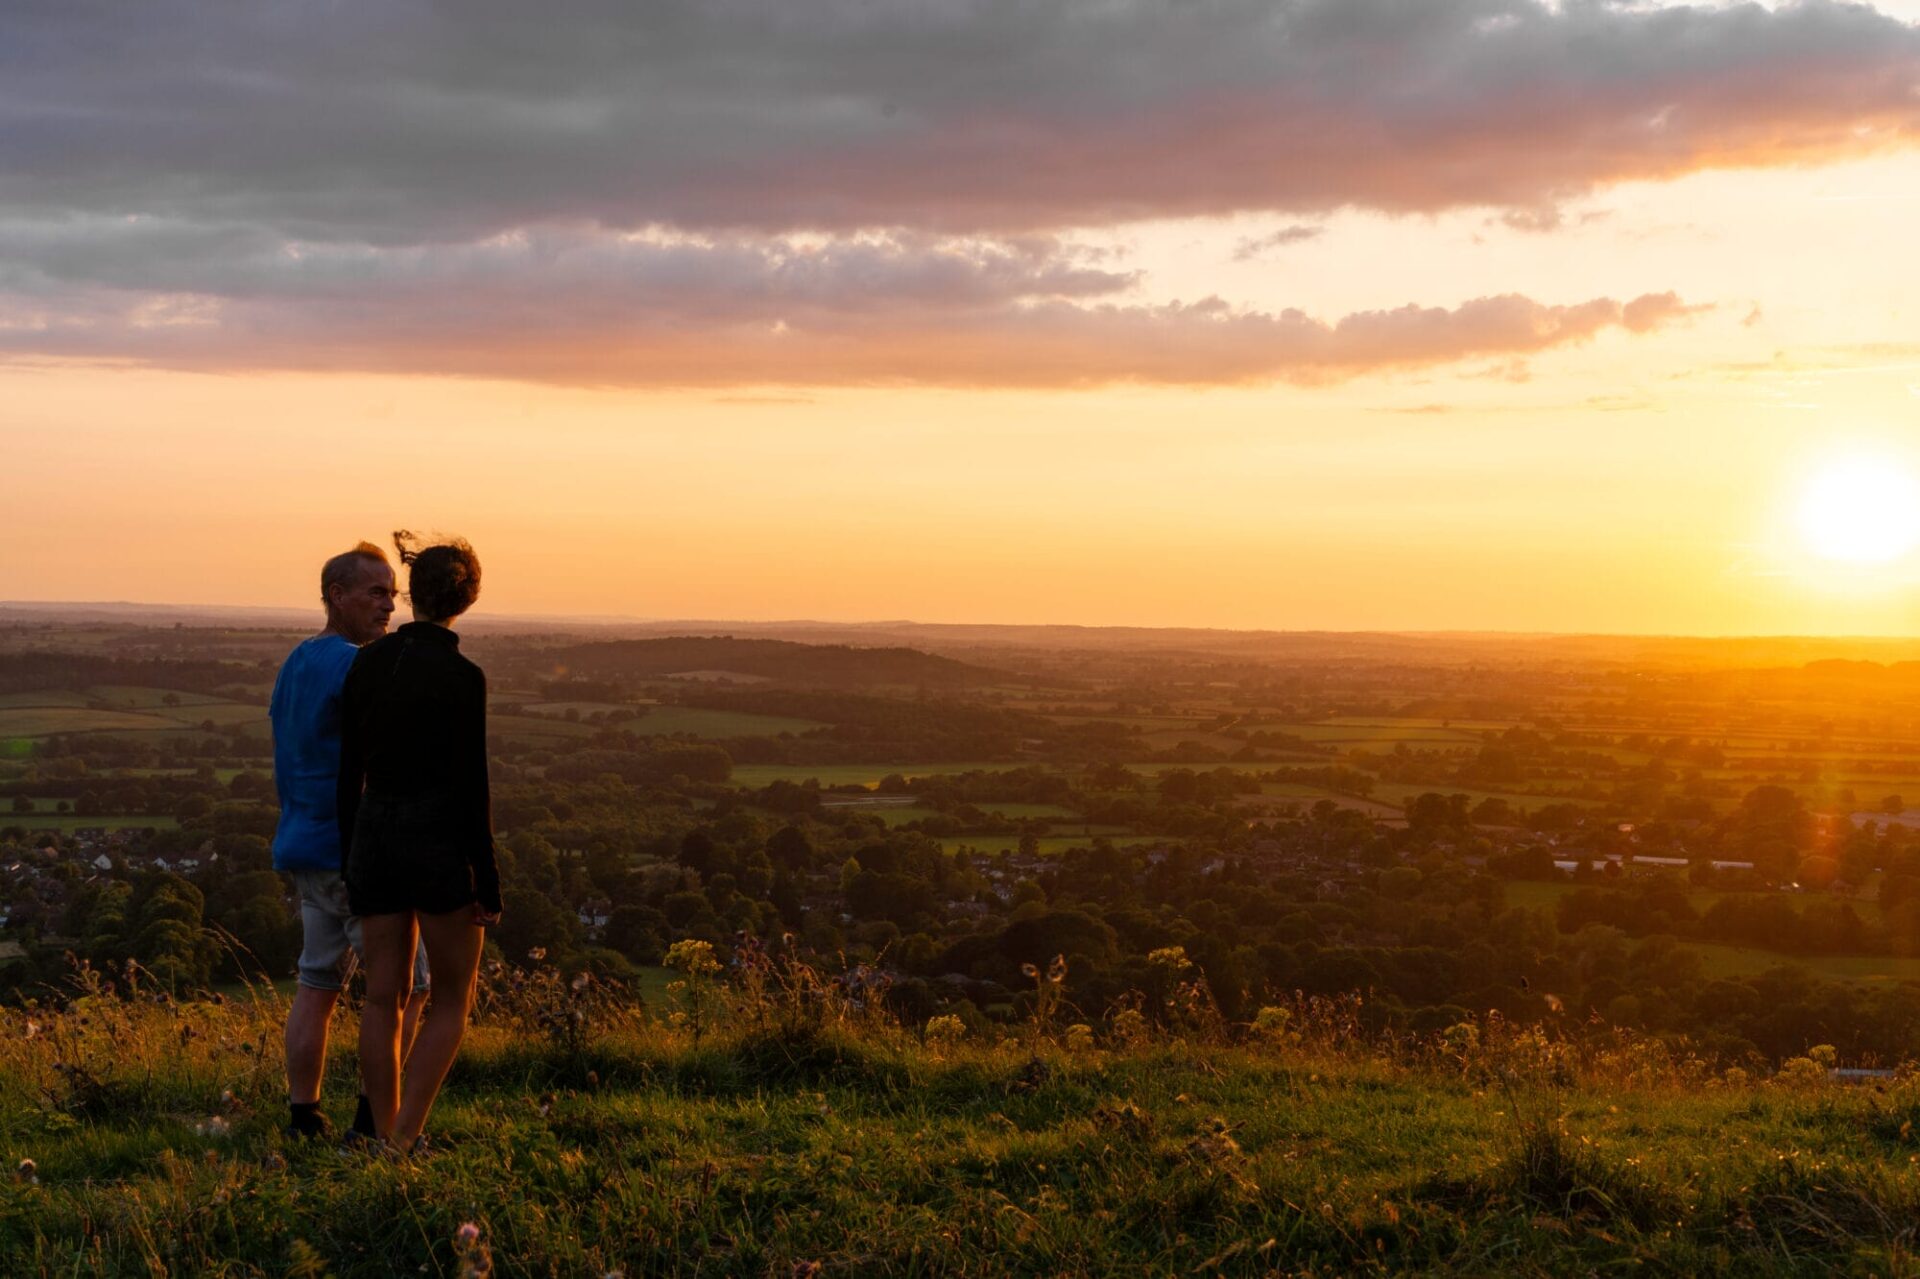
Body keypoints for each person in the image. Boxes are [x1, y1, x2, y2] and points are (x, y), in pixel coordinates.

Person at [339, 532, 502, 1153]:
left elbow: (346, 770)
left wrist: (350, 853)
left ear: (410, 594)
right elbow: (471, 786)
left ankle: (382, 1133)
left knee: (383, 998)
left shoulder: (367, 663)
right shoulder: (463, 675)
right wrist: (486, 882)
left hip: (374, 835)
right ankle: (405, 1138)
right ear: (469, 597)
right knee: (452, 1000)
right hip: (437, 840)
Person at [270, 542, 430, 1141]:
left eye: (393, 593)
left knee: (318, 981)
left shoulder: (296, 660)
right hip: (357, 851)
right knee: (407, 988)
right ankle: (373, 1121)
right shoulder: (356, 665)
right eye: (376, 593)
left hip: (304, 847)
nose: (390, 606)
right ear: (337, 596)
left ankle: (302, 1115)